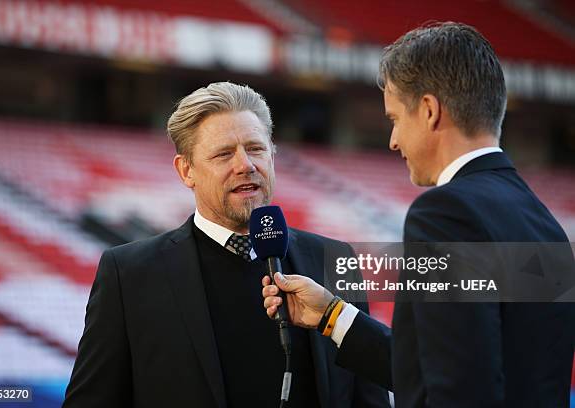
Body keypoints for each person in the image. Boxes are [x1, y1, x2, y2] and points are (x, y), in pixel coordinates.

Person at [262, 22, 575, 407]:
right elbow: (448, 368)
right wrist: (332, 315)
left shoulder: (446, 213)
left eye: (395, 119)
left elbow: (459, 391)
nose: (393, 140)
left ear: (429, 110)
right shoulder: (543, 222)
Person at [62, 82, 390, 408]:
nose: (245, 164)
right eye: (223, 154)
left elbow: (369, 399)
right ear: (186, 170)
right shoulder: (129, 274)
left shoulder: (332, 258)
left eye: (256, 148)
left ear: (273, 156)